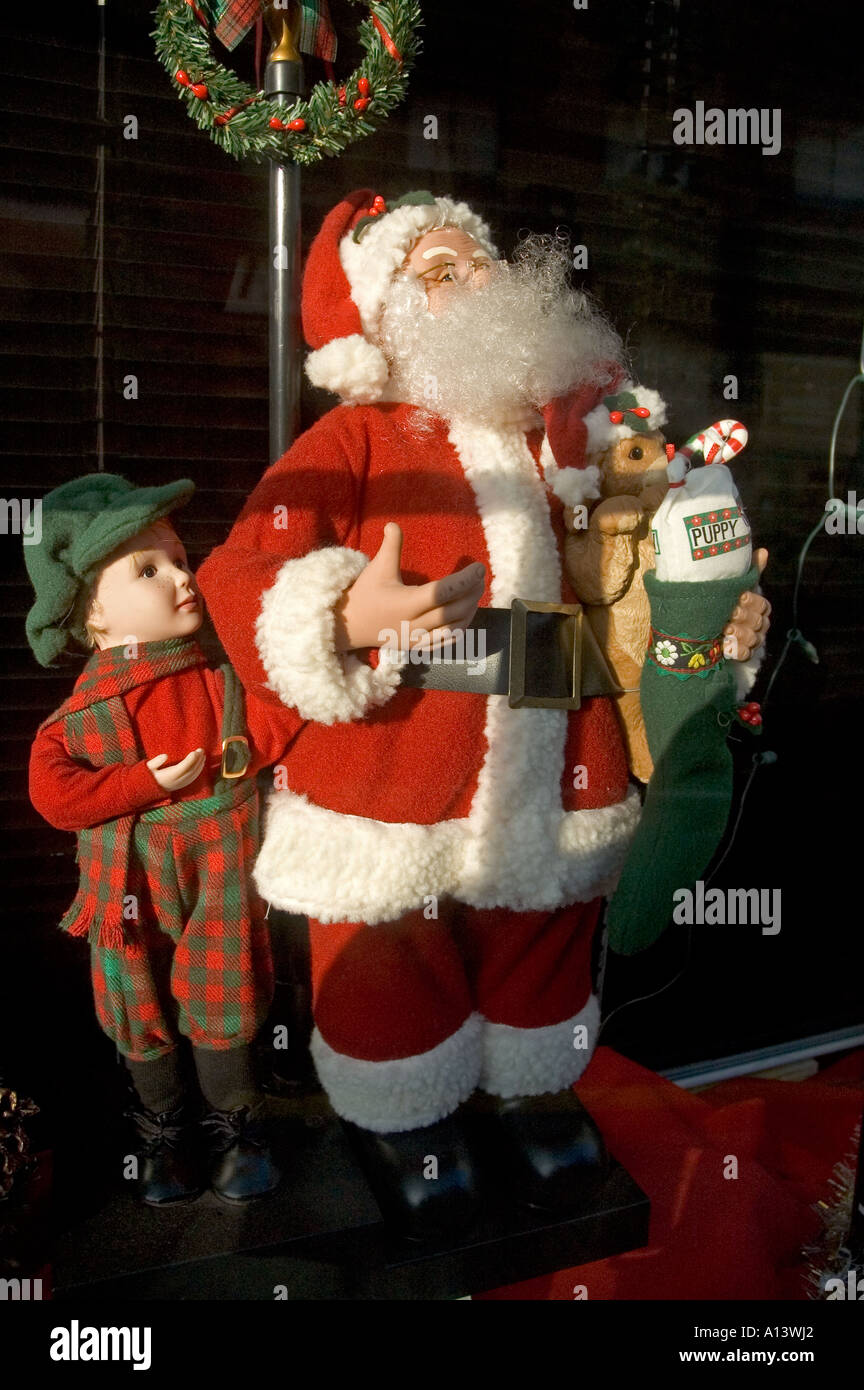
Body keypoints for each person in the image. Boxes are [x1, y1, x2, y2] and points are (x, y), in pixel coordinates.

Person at [196, 189, 770, 1238]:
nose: (477, 284)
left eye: (482, 263)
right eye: (440, 271)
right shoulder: (358, 437)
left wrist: (707, 614)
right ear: (380, 320)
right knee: (391, 946)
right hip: (400, 755)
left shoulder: (570, 445)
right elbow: (247, 563)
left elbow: (639, 575)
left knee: (543, 936)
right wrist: (336, 607)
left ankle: (531, 1089)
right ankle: (405, 1111)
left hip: (563, 749)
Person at [25, 474, 290, 1206]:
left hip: (222, 878)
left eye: (178, 557)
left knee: (224, 985)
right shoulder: (78, 718)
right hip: (130, 886)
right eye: (148, 569)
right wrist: (142, 785)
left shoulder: (224, 686)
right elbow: (55, 794)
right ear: (94, 616)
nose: (181, 576)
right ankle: (161, 1134)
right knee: (134, 996)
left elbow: (280, 723)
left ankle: (236, 1126)